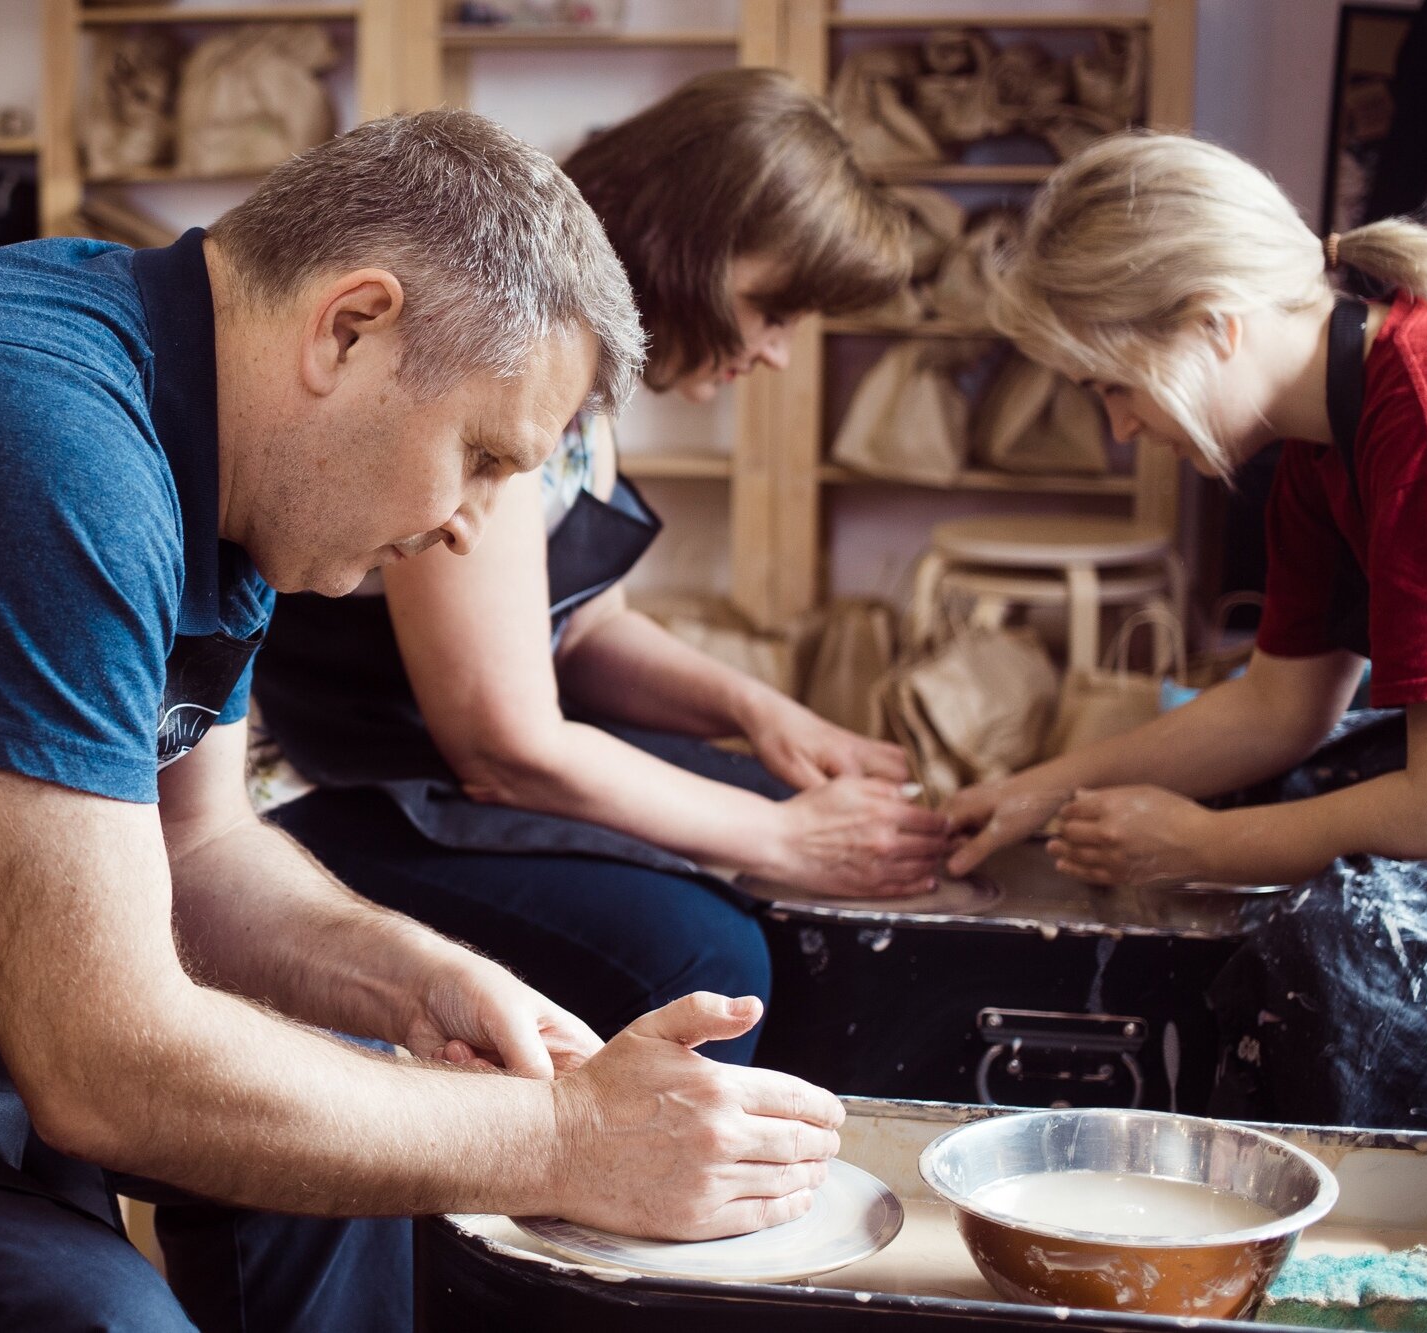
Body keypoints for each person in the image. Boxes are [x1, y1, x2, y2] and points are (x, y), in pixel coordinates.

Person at [0, 110, 850, 1333]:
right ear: (351, 329)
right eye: (488, 457)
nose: (469, 523)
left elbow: (199, 852)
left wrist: (425, 980)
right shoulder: (31, 440)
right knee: (97, 1317)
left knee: (334, 1157)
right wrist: (567, 1140)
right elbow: (106, 1064)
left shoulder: (212, 444)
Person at [252, 70, 948, 1070]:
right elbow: (506, 746)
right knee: (705, 948)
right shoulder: (506, 354)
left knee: (749, 806)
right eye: (770, 309)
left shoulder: (583, 367)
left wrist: (759, 713)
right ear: (687, 246)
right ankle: (633, 1199)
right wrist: (780, 839)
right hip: (319, 780)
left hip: (430, 757)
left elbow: (581, 628)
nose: (777, 354)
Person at [945, 130, 1427, 1200]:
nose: (1117, 428)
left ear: (1212, 324)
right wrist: (1033, 790)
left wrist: (1201, 844)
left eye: (1110, 386)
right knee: (1310, 800)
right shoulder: (1319, 438)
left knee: (1328, 961)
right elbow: (1276, 709)